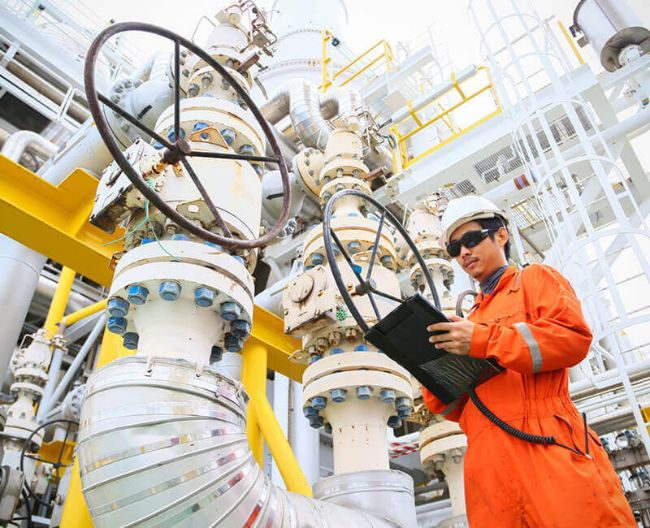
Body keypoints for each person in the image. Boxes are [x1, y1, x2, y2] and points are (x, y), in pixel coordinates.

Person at [422, 195, 636, 527]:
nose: (463, 252)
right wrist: (430, 368)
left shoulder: (534, 281)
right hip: (487, 468)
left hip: (545, 445)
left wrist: (482, 340)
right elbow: (455, 409)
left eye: (471, 239)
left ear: (501, 235)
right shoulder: (469, 321)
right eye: (454, 248)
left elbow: (572, 339)